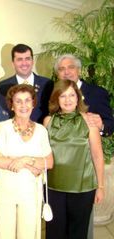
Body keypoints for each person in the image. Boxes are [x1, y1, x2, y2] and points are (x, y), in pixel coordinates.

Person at [0, 84, 53, 239]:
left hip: (30, 193)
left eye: (27, 100)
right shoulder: (2, 128)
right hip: (4, 193)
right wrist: (32, 163)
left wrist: (24, 160)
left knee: (28, 235)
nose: (24, 105)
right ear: (11, 105)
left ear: (33, 103)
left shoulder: (41, 130)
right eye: (18, 101)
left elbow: (49, 162)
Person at [43, 80, 105, 239]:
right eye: (63, 96)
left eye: (71, 95)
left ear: (78, 98)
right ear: (56, 98)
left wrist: (101, 186)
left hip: (82, 188)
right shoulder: (48, 122)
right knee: (54, 232)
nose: (68, 99)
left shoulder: (89, 122)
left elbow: (97, 155)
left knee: (78, 232)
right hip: (53, 188)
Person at [54, 54, 114, 137]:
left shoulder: (97, 93)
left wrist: (101, 126)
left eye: (71, 67)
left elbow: (110, 124)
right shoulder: (53, 94)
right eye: (61, 69)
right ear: (57, 74)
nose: (66, 72)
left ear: (79, 70)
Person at [0, 43, 54, 123]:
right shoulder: (2, 87)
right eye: (20, 59)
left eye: (27, 59)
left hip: (42, 132)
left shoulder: (48, 84)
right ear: (13, 63)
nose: (24, 63)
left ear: (32, 61)